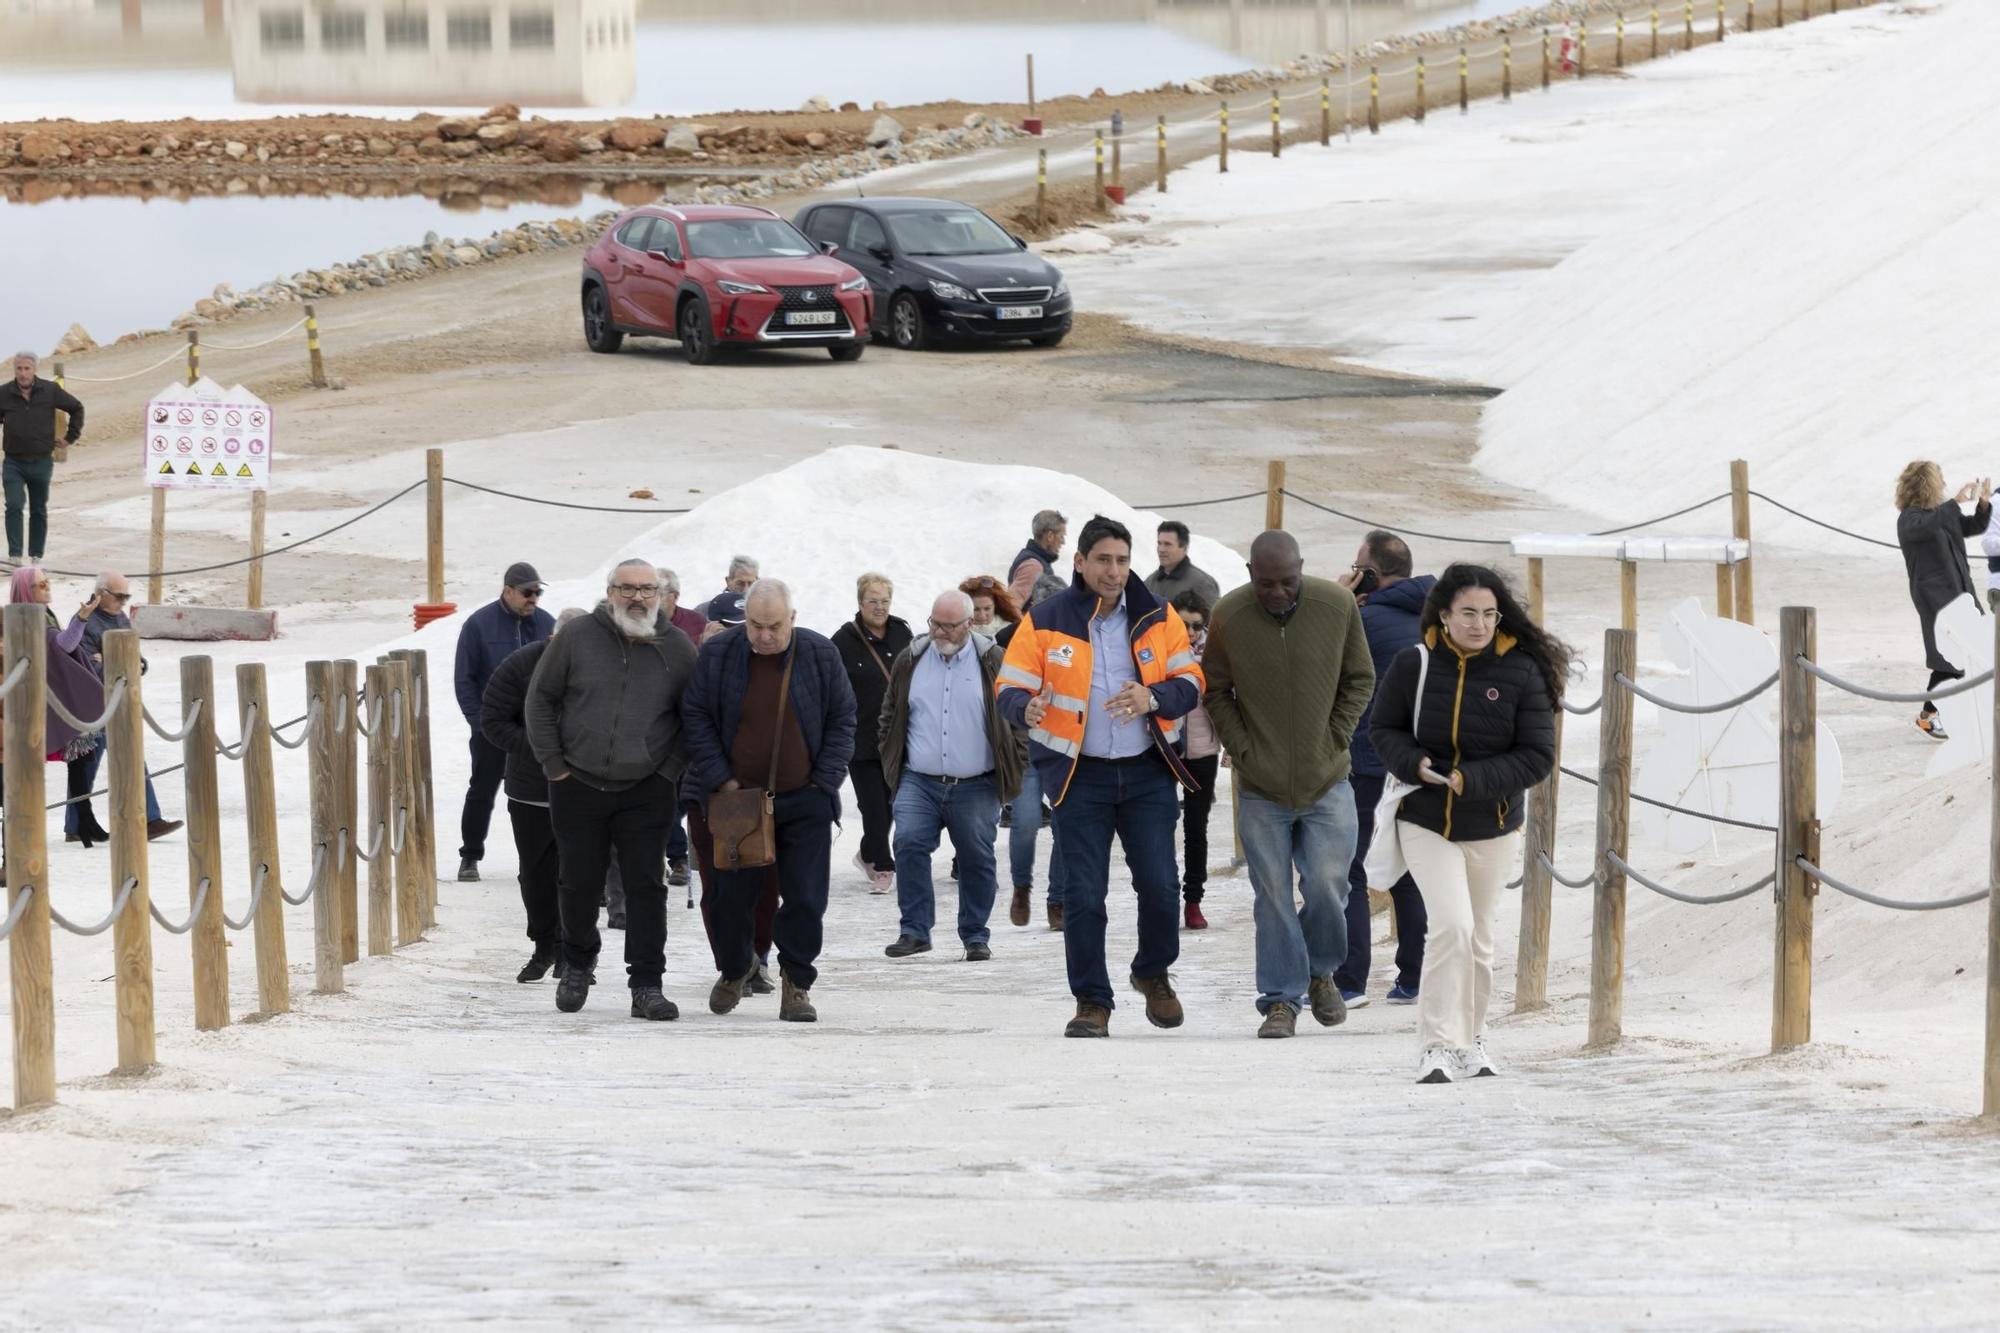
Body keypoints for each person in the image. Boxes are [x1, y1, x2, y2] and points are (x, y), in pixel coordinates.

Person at [997, 514, 1206, 1038]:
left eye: (1122, 560)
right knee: (1084, 896)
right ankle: (1092, 1000)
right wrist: (1025, 707)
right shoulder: (1045, 619)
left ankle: (1152, 973)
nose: (1114, 572)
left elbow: (1192, 680)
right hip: (1078, 777)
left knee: (1160, 887)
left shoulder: (1159, 617)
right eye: (1103, 560)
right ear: (1080, 563)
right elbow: (1009, 686)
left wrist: (1152, 696)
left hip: (1147, 774)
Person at [1369, 564, 1563, 1084]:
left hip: (1494, 823)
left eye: (1488, 614)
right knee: (1451, 927)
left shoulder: (1521, 671)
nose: (1479, 624)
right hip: (1425, 818)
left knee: (1479, 938)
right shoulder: (1415, 664)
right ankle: (1436, 1044)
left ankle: (1472, 1040)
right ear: (1445, 614)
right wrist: (1415, 764)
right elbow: (1381, 728)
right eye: (1468, 613)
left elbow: (1538, 755)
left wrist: (1469, 779)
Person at [1202, 530, 1374, 1039]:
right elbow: (1214, 689)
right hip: (1262, 787)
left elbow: (1360, 678)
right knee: (1272, 895)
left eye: (1288, 582)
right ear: (1251, 574)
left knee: (1327, 887)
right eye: (1266, 583)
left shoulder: (1337, 605)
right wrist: (1244, 747)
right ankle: (1280, 1000)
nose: (1277, 592)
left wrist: (1336, 735)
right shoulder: (1229, 616)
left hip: (1328, 782)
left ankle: (1320, 972)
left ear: (1302, 568)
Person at [524, 559, 697, 1021]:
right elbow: (540, 699)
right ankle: (578, 965)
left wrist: (669, 770)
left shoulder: (678, 647)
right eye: (627, 589)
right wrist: (554, 765)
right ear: (610, 591)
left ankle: (646, 984)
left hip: (647, 787)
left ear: (660, 594)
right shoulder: (578, 636)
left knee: (646, 886)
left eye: (647, 589)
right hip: (577, 782)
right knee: (578, 883)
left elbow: (693, 718)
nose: (637, 598)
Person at [682, 578, 855, 1024]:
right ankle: (738, 966)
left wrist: (825, 781)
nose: (763, 635)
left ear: (792, 619)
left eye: (773, 626)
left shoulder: (818, 654)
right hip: (737, 800)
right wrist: (721, 779)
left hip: (805, 798)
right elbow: (695, 715)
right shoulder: (719, 655)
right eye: (756, 626)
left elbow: (843, 718)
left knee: (805, 898)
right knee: (728, 899)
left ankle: (797, 982)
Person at [877, 590, 1024, 961]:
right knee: (908, 843)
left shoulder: (993, 661)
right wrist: (891, 758)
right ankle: (914, 930)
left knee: (976, 857)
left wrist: (1015, 764)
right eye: (935, 623)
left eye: (949, 626)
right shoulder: (912, 659)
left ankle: (975, 934)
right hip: (919, 779)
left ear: (969, 623)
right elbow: (890, 714)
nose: (940, 632)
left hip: (977, 783)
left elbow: (1018, 720)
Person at [1333, 531, 1433, 1007]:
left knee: (1350, 869)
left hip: (1369, 758)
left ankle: (1350, 981)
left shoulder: (1361, 618)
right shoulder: (1440, 616)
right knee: (1411, 865)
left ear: (1372, 573)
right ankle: (1413, 977)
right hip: (1423, 760)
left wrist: (1340, 598)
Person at [481, 606, 586, 984]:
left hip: (585, 789)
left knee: (578, 874)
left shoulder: (599, 667)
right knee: (536, 873)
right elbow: (492, 719)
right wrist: (540, 748)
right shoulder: (521, 665)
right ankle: (544, 945)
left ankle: (575, 954)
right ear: (553, 638)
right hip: (531, 789)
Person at [452, 561, 554, 882]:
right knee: (483, 788)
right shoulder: (479, 625)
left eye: (537, 592)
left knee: (545, 793)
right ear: (508, 591)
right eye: (527, 592)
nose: (533, 598)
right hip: (493, 728)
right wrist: (478, 722)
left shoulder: (547, 624)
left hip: (535, 730)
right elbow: (464, 679)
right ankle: (470, 855)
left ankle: (547, 858)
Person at [70, 571, 181, 843]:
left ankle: (150, 819)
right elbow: (88, 668)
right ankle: (75, 824)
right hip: (95, 704)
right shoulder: (85, 621)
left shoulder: (120, 618)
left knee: (130, 756)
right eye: (118, 596)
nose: (123, 602)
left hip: (122, 700)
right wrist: (114, 660)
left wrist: (130, 661)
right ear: (101, 594)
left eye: (126, 596)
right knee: (88, 765)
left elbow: (134, 656)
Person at [8, 566, 109, 845]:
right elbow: (64, 645)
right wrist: (81, 618)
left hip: (48, 698)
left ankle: (83, 823)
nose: (47, 586)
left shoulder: (41, 614)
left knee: (79, 760)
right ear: (27, 590)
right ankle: (78, 825)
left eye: (47, 581)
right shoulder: (30, 618)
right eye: (41, 584)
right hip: (33, 704)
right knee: (30, 770)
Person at [1894, 461, 1991, 740]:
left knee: (1966, 654)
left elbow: (1972, 526)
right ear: (1927, 484)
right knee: (1949, 657)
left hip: (1960, 592)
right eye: (1940, 480)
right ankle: (1928, 716)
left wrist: (1982, 505)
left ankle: (1947, 712)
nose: (1944, 484)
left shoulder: (1938, 515)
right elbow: (1924, 528)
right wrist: (1954, 503)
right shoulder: (1910, 519)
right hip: (1936, 599)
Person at [830, 573, 912, 893]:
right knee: (874, 807)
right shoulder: (843, 640)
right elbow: (833, 689)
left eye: (885, 601)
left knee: (892, 804)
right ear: (860, 603)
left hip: (898, 738)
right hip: (861, 737)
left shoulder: (902, 632)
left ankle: (867, 852)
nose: (879, 608)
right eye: (873, 601)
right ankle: (882, 866)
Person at [995, 608, 1067, 932]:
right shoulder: (1008, 644)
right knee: (1025, 822)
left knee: (1064, 827)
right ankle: (1021, 887)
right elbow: (1001, 699)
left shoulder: (1074, 645)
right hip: (1025, 756)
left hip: (1062, 752)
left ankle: (1058, 900)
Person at [1167, 590, 1219, 930]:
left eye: (1196, 626)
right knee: (1159, 823)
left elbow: (1227, 699)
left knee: (1196, 828)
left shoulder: (1213, 656)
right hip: (1164, 747)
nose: (1189, 633)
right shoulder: (1160, 652)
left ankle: (1193, 899)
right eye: (1183, 625)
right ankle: (1163, 895)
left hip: (1201, 748)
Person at [0, 353, 82, 562]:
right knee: (14, 505)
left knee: (38, 508)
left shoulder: (50, 390)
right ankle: (15, 556)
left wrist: (70, 437)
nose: (23, 373)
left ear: (34, 369)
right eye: (19, 368)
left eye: (27, 368)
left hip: (41, 461)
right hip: (13, 462)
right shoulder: (4, 393)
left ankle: (36, 556)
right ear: (14, 370)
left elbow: (76, 408)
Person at [656, 565, 698, 888]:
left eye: (658, 594)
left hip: (690, 726)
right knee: (664, 796)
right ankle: (678, 858)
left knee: (681, 798)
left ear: (674, 597)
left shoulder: (695, 624)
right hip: (656, 730)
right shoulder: (639, 627)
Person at [1146, 521, 1221, 607]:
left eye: (1167, 544)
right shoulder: (1149, 582)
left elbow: (1213, 618)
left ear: (1184, 548)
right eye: (1159, 543)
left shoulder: (1202, 583)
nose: (1161, 549)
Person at [1006, 509, 1067, 610]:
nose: (1063, 542)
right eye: (1061, 536)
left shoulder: (1037, 562)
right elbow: (1011, 607)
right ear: (1050, 536)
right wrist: (1028, 625)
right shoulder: (1033, 566)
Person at [703, 555, 759, 621]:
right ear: (728, 581)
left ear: (758, 582)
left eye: (751, 583)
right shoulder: (706, 611)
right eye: (740, 583)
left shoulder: (767, 609)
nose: (746, 590)